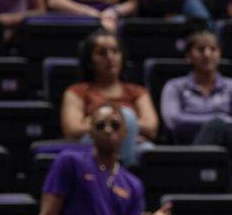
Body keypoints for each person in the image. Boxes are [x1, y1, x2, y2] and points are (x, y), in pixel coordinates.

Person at [30, 105, 168, 215]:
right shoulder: (70, 162)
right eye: (100, 125)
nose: (108, 130)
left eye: (115, 125)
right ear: (90, 131)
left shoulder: (133, 183)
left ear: (124, 132)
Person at [159, 29, 232, 175]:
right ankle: (192, 171)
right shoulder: (174, 86)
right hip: (185, 150)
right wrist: (219, 120)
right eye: (200, 49)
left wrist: (217, 125)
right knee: (218, 125)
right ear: (188, 55)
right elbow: (174, 122)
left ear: (219, 54)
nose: (207, 54)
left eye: (213, 49)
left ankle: (189, 174)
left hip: (231, 155)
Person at [60, 29, 159, 167]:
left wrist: (97, 121)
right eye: (102, 53)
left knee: (149, 151)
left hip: (133, 144)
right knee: (128, 116)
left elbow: (151, 128)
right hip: (93, 146)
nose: (110, 57)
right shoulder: (77, 91)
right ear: (89, 60)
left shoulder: (137, 91)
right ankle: (119, 179)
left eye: (115, 51)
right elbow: (73, 130)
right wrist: (120, 124)